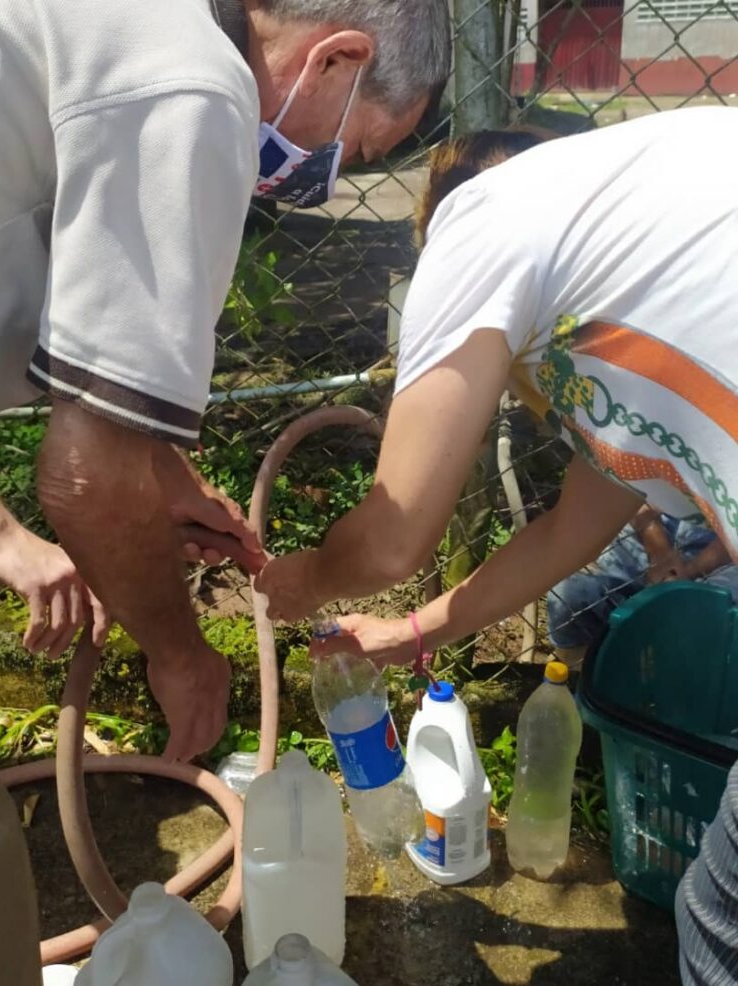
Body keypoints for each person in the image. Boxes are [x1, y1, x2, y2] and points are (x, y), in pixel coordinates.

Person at [0, 1, 451, 981]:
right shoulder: (196, 86)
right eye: (360, 146)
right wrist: (181, 654)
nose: (338, 172)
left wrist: (166, 476)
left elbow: (95, 390)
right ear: (336, 59)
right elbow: (85, 474)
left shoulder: (123, 28)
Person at [256, 110, 738, 984]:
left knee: (721, 928)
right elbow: (568, 530)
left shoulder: (479, 220)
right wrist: (412, 634)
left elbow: (396, 533)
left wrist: (306, 580)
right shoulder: (639, 282)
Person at [548, 505, 738, 667]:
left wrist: (691, 570)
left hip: (727, 554)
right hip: (651, 530)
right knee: (569, 594)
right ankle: (574, 675)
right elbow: (633, 491)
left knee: (703, 618)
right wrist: (659, 552)